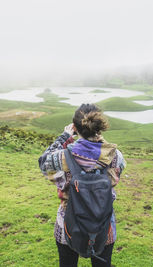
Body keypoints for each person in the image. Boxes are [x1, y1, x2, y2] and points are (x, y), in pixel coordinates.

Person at [38, 103, 126, 267]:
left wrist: (65, 136)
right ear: (99, 127)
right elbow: (117, 173)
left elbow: (43, 163)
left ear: (75, 128)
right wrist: (98, 139)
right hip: (104, 226)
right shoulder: (115, 156)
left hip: (68, 224)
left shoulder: (62, 158)